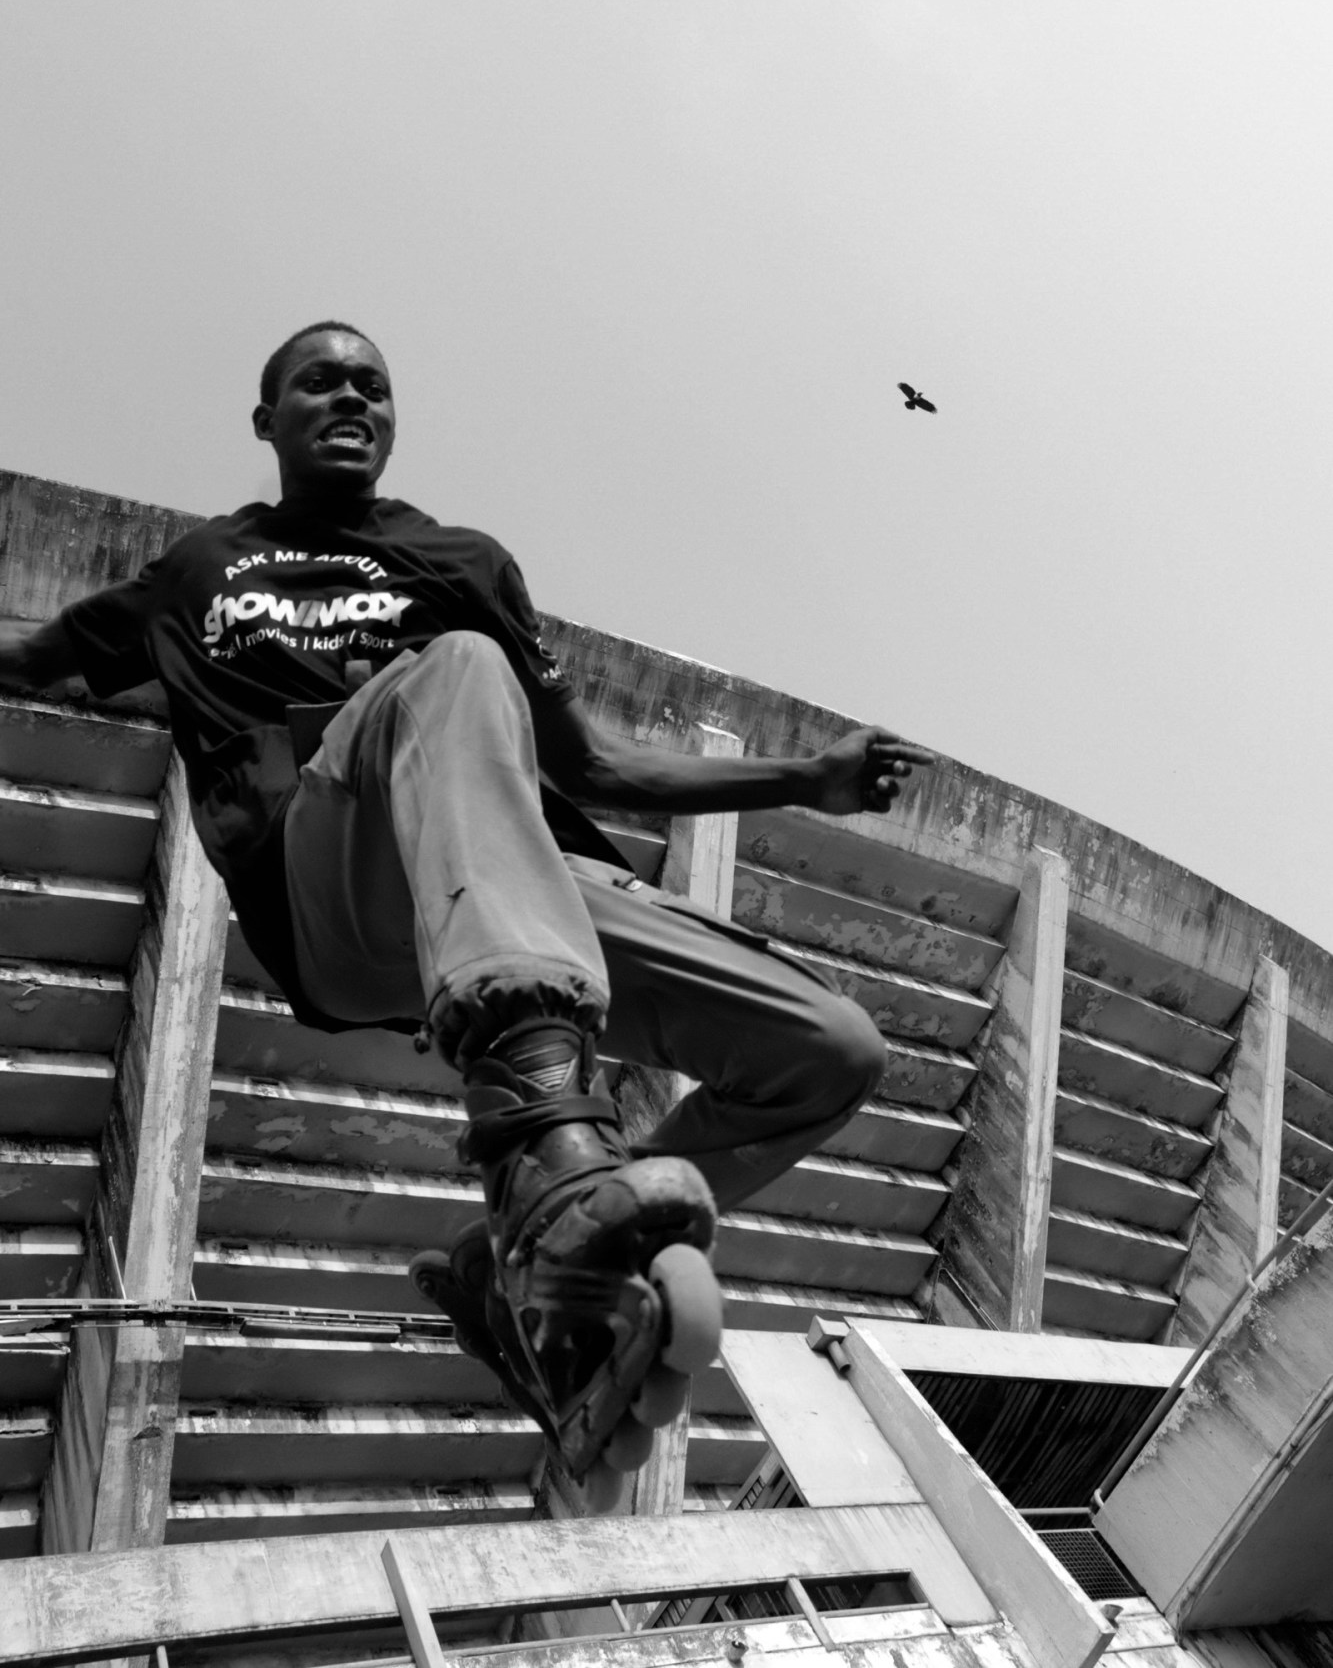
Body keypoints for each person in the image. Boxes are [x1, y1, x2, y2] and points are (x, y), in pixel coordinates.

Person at [0, 320, 932, 1503]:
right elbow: (33, 656)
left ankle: (540, 1264)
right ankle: (543, 1149)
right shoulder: (198, 570)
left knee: (827, 1048)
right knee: (454, 670)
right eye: (320, 381)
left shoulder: (461, 560)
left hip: (501, 884)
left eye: (373, 386)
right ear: (265, 418)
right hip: (326, 879)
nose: (351, 398)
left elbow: (594, 771)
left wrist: (804, 781)